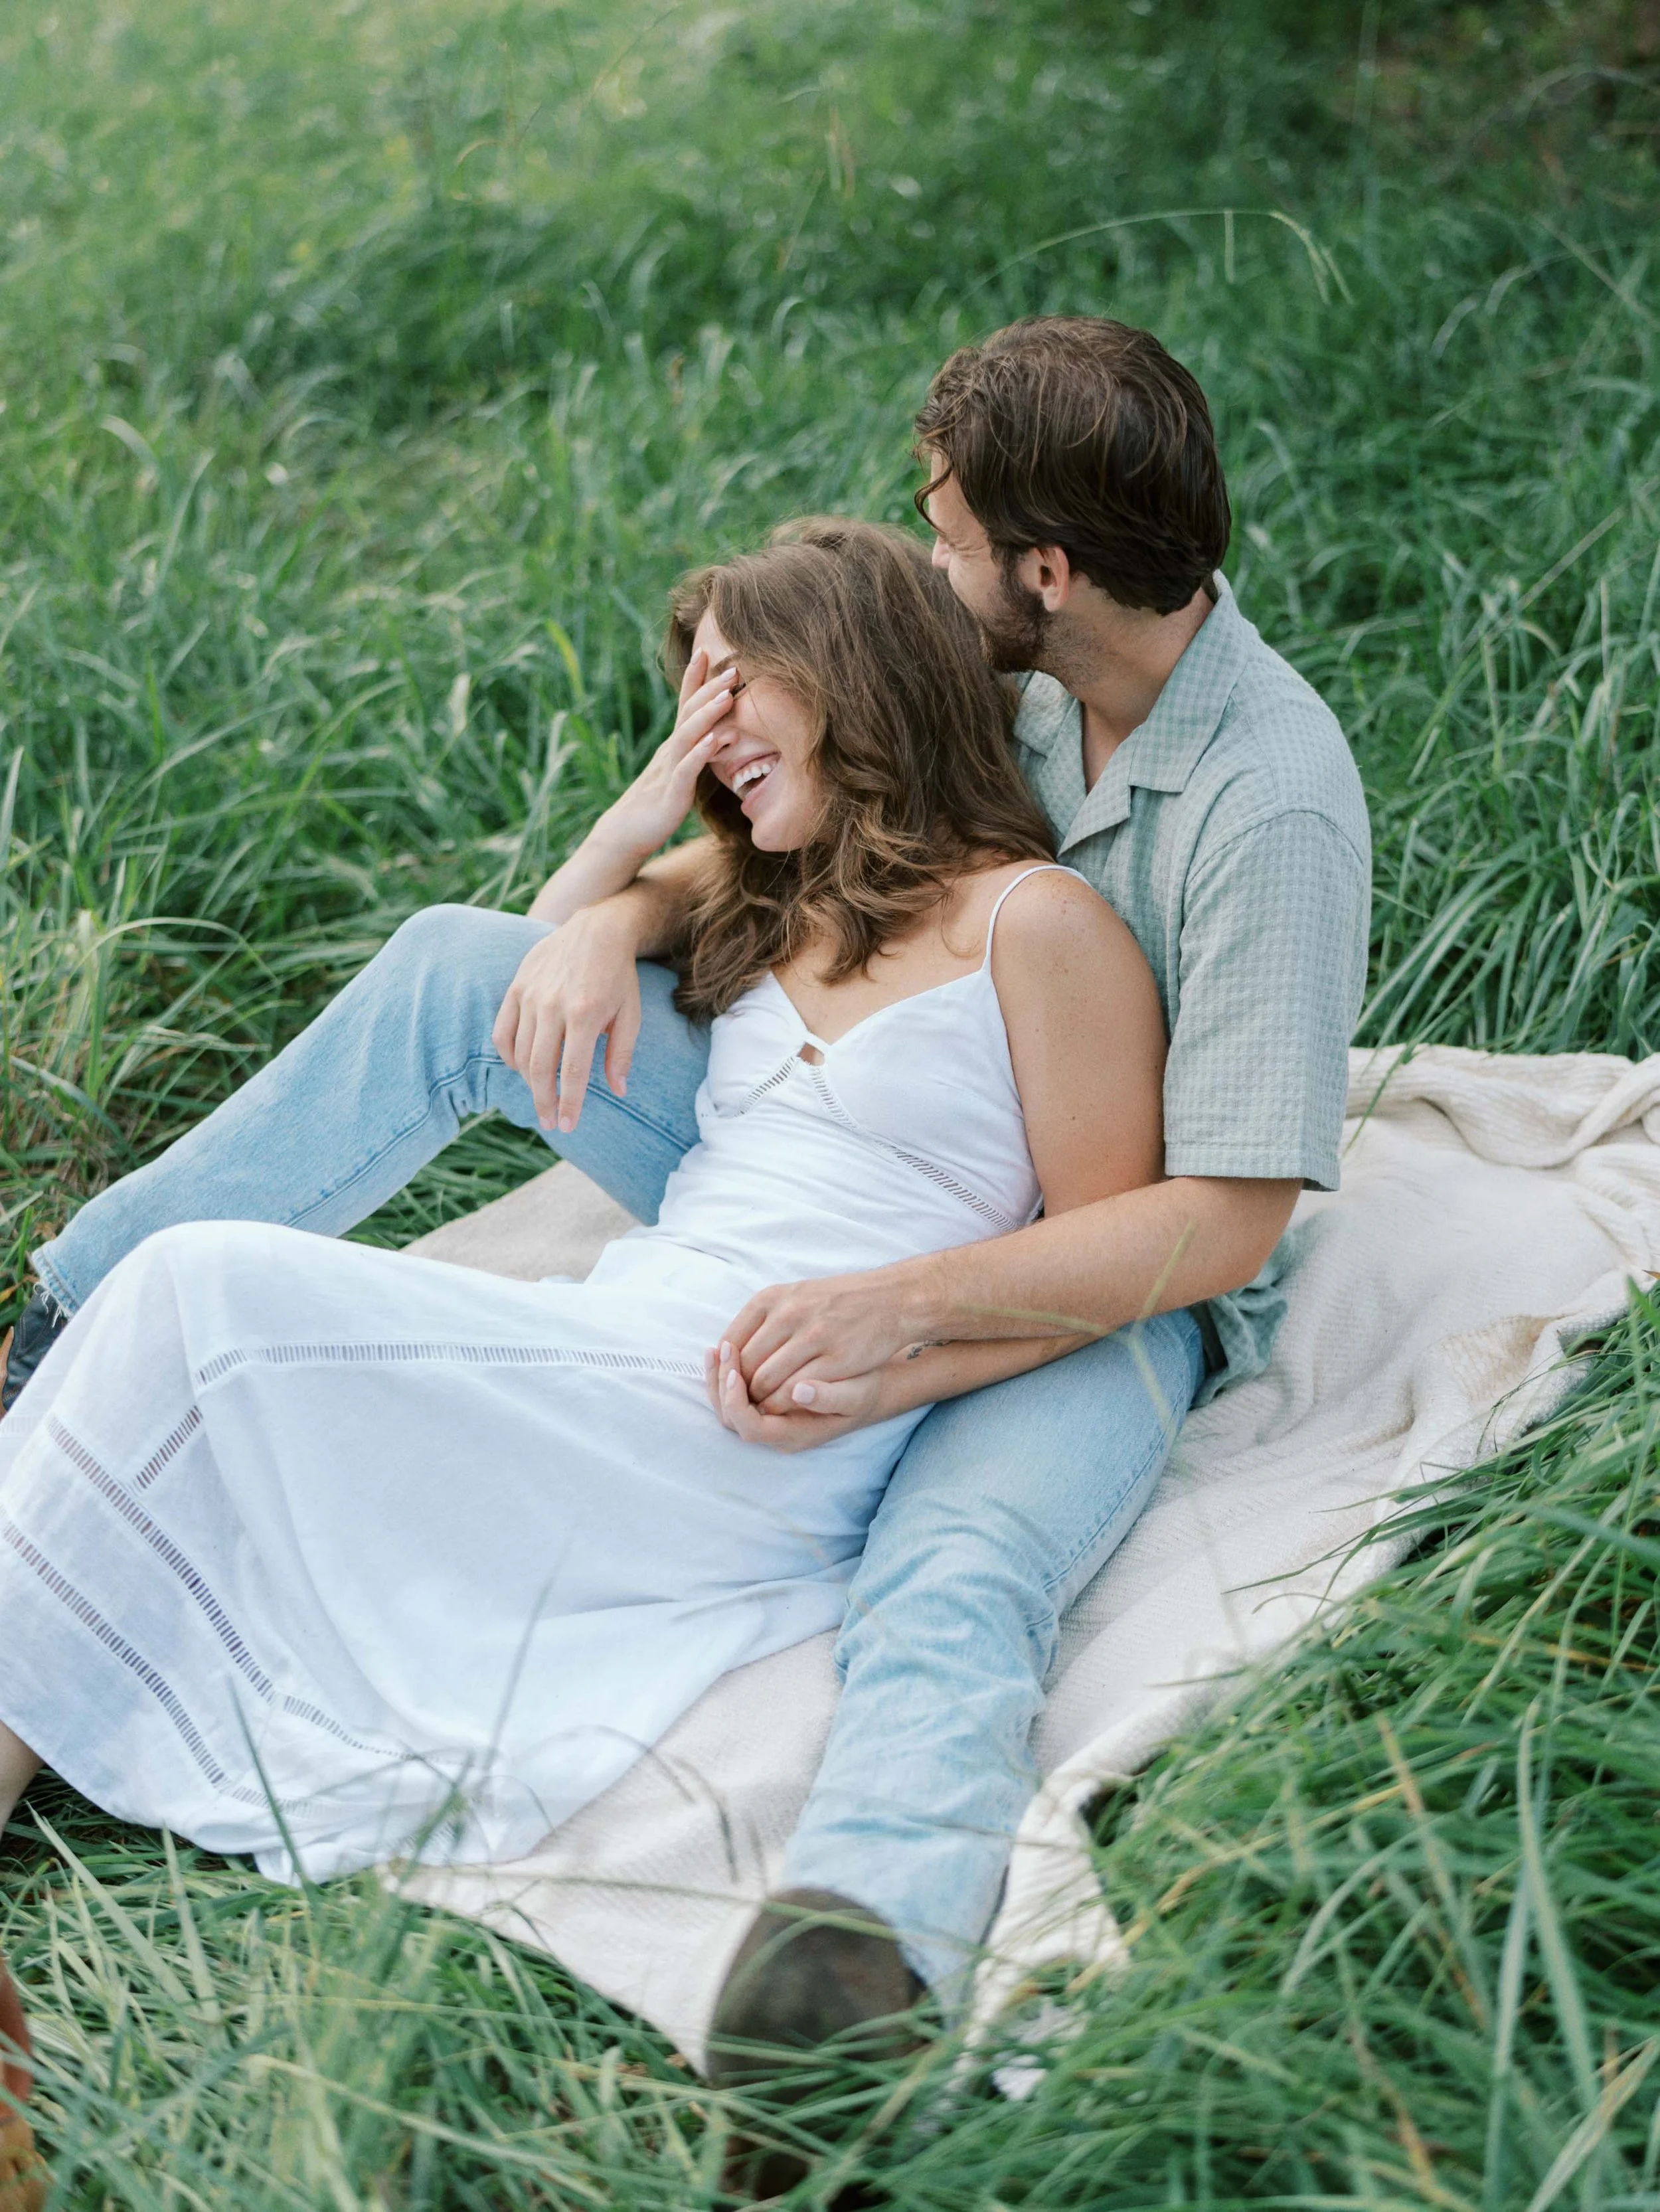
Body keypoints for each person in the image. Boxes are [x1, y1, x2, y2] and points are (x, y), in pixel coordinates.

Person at [1, 318, 1370, 2079]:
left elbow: (1216, 1222)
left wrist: (900, 1320)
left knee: (950, 1571)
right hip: (819, 1184)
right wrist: (611, 920)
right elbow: (836, 829)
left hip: (1107, 1278)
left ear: (1047, 570)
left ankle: (859, 1964)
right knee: (463, 972)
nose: (928, 565)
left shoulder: (1265, 801)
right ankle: (54, 1329)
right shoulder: (1014, 691)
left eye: (949, 537)